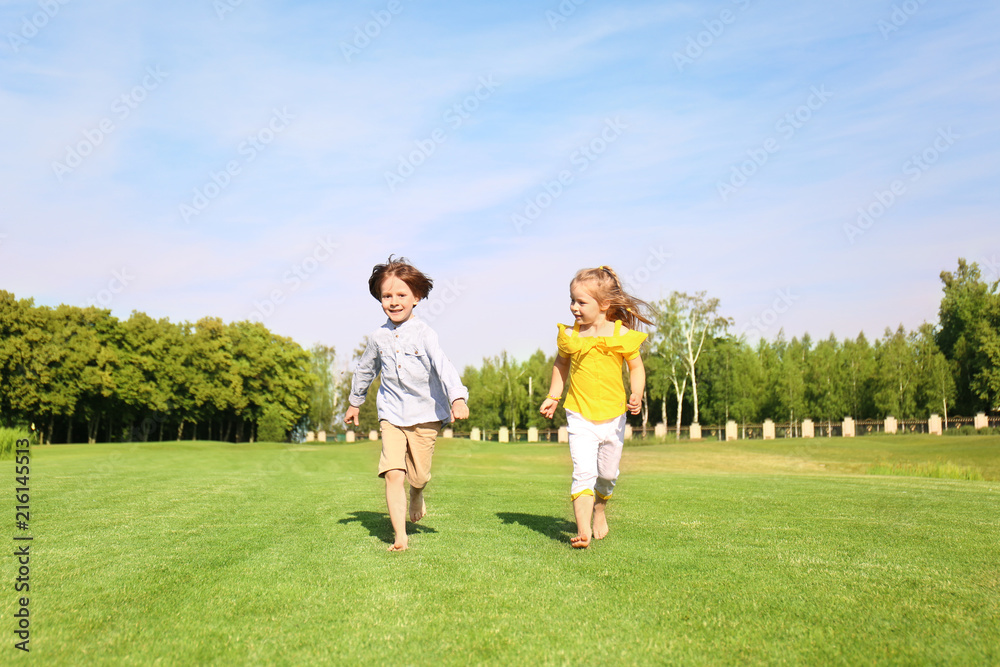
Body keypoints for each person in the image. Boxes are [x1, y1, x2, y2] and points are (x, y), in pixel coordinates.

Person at [345, 256, 469, 552]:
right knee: (393, 473)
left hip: (425, 414)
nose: (394, 301)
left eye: (401, 295)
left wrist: (458, 396)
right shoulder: (378, 338)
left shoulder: (425, 333)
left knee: (419, 475)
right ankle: (400, 535)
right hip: (391, 413)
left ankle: (417, 492)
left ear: (417, 297)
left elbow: (443, 365)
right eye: (387, 295)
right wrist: (354, 403)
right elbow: (365, 370)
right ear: (379, 298)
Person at [539, 265, 652, 548]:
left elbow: (636, 368)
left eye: (581, 302)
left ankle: (600, 509)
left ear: (604, 305)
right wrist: (553, 397)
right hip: (579, 413)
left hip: (614, 417)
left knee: (608, 475)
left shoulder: (621, 334)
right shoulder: (571, 336)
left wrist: (636, 393)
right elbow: (561, 365)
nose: (574, 307)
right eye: (572, 300)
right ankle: (583, 529)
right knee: (584, 473)